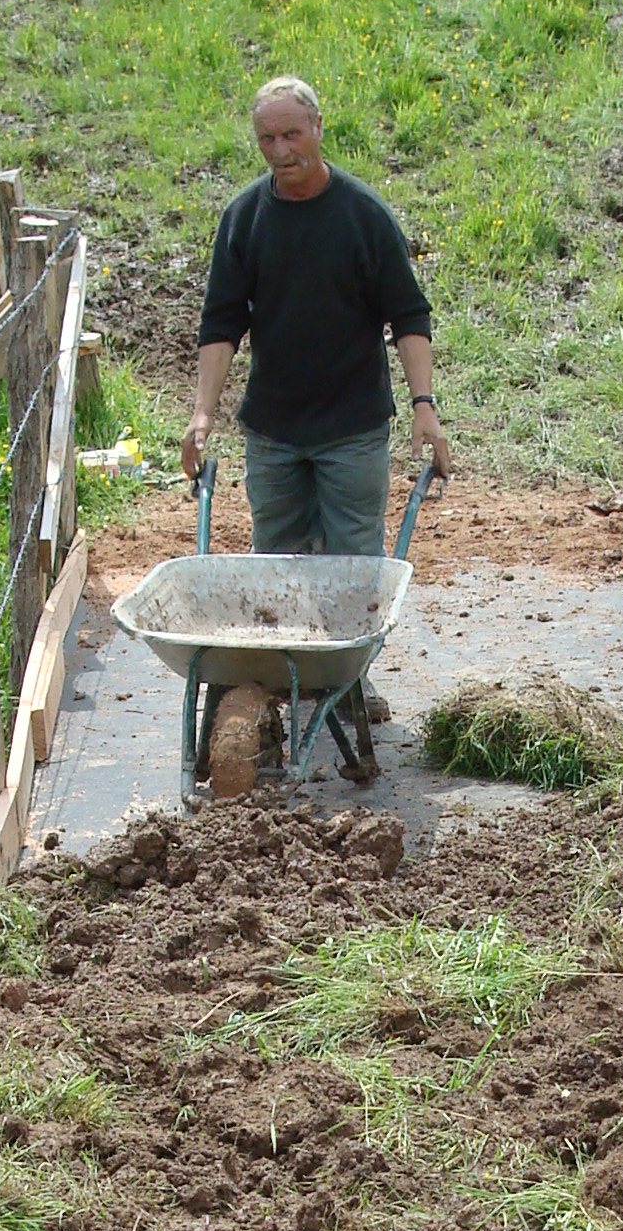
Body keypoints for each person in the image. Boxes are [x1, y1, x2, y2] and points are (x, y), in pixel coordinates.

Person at [184, 77, 449, 780]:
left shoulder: (361, 215)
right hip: (273, 429)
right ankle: (273, 689)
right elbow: (221, 325)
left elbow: (408, 315)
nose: (280, 150)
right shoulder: (245, 219)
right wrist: (203, 413)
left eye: (291, 135)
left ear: (318, 128)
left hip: (352, 427)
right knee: (274, 561)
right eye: (267, 139)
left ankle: (348, 682)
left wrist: (425, 404)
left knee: (352, 567)